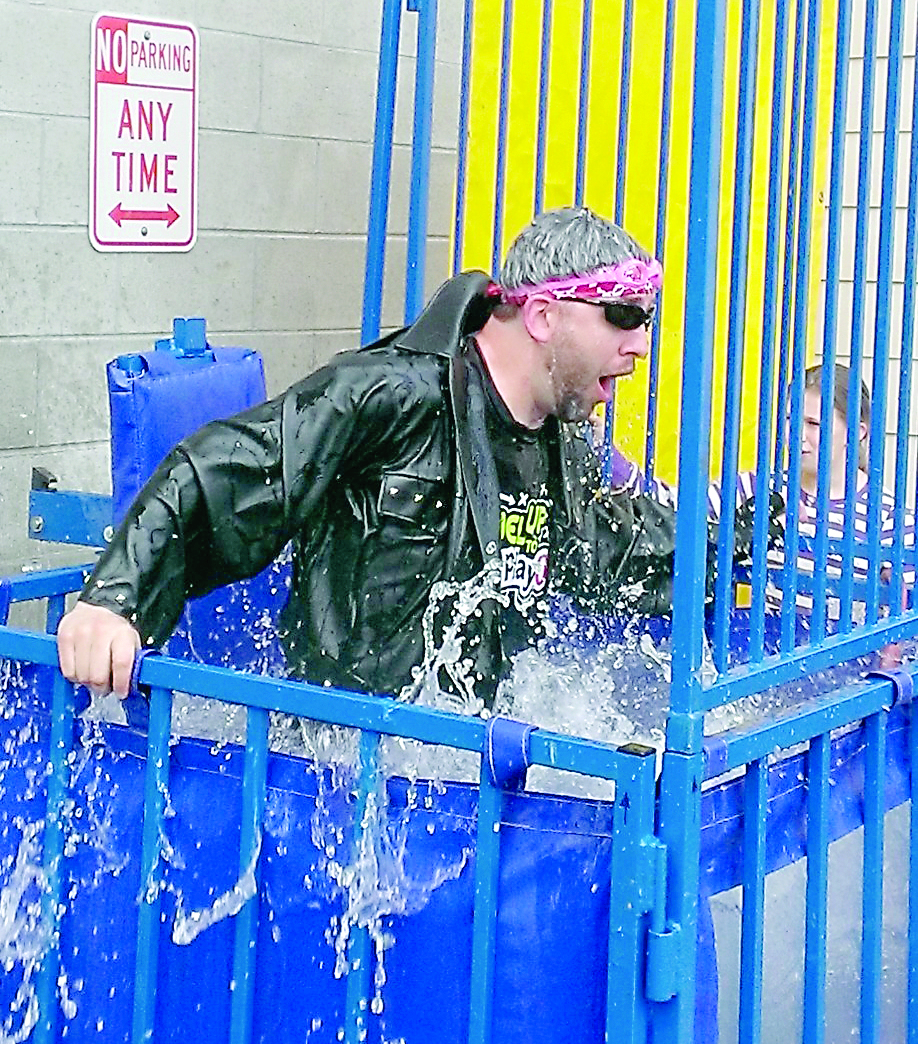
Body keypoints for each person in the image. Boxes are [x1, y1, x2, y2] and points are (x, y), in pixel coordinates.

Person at [57, 206, 681, 708]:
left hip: (467, 767)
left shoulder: (559, 445)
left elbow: (615, 549)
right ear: (543, 315)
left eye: (647, 320)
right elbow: (227, 468)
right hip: (339, 770)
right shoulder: (391, 397)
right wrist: (115, 600)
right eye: (623, 315)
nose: (642, 344)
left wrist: (746, 532)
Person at [605, 361, 915, 629]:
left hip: (840, 676)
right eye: (791, 419)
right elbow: (671, 506)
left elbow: (904, 614)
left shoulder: (889, 516)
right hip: (759, 658)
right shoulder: (757, 489)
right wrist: (606, 455)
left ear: (858, 432)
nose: (796, 434)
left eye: (813, 424)